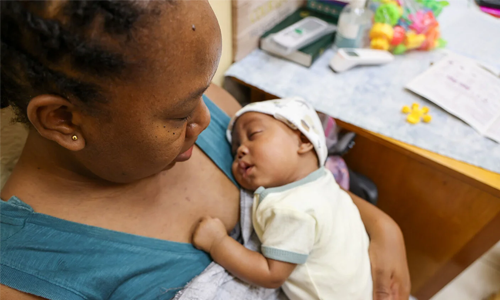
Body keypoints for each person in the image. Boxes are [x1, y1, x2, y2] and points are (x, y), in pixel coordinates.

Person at [0, 1, 410, 299]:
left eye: (204, 88)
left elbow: (300, 187)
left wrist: (380, 226)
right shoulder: (26, 271)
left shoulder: (194, 97)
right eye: (180, 115)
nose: (207, 117)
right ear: (64, 120)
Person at [193, 98, 372, 299]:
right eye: (235, 151)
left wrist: (217, 243)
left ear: (303, 141)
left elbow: (271, 275)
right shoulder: (326, 183)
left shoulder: (291, 209)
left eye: (254, 134)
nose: (241, 151)